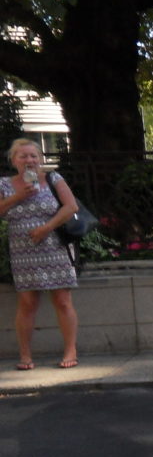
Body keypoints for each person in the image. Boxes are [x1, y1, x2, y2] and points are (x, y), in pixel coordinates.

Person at [0, 138, 80, 369]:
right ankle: (25, 356)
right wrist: (19, 196)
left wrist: (47, 228)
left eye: (34, 156)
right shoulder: (4, 184)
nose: (29, 160)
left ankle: (70, 351)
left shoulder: (54, 179)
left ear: (40, 159)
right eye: (23, 156)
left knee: (63, 300)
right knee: (27, 302)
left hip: (54, 247)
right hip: (23, 251)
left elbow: (71, 207)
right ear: (14, 160)